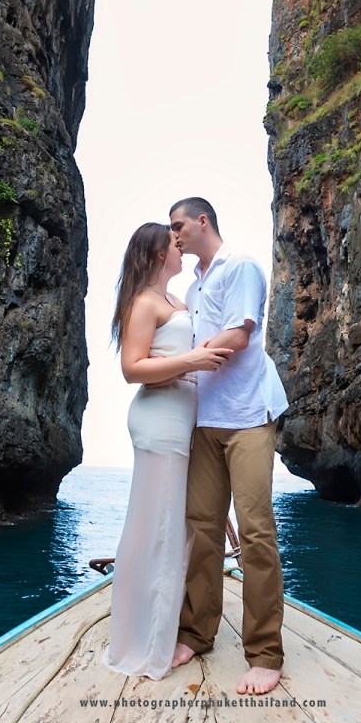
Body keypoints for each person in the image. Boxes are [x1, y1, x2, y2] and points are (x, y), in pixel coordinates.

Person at [167, 196, 289, 695]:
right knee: (201, 529)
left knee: (256, 532)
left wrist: (187, 360)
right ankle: (197, 633)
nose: (173, 235)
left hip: (247, 418)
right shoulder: (194, 286)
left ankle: (265, 653)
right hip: (205, 420)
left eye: (178, 226)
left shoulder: (240, 267)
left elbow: (239, 335)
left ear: (202, 221)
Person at [104, 221, 233, 679]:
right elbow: (132, 369)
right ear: (159, 254)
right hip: (159, 423)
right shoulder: (144, 301)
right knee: (155, 529)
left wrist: (183, 363)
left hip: (182, 422)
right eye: (175, 244)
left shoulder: (176, 301)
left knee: (172, 528)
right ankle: (143, 642)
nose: (181, 249)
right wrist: (192, 361)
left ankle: (166, 626)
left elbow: (164, 362)